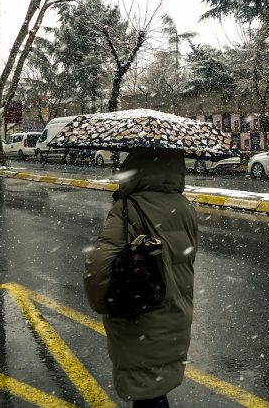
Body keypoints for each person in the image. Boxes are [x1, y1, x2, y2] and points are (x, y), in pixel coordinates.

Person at [84, 148, 198, 407]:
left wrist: (104, 304)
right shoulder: (185, 207)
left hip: (140, 316)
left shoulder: (128, 209)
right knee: (156, 392)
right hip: (176, 315)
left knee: (146, 393)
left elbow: (98, 271)